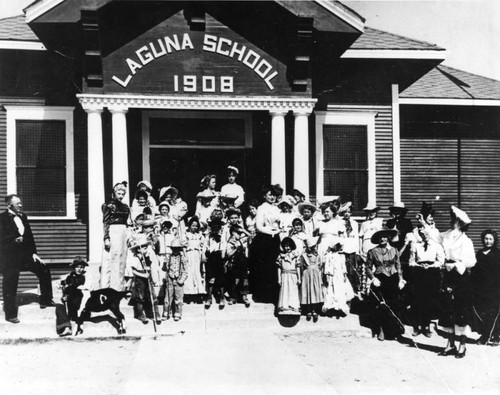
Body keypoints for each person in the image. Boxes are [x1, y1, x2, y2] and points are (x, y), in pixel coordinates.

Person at [0, 194, 54, 323]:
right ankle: (10, 313)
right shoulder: (1, 218)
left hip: (24, 256)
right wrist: (14, 240)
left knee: (43, 268)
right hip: (9, 257)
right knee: (11, 279)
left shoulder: (23, 216)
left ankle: (46, 299)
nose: (20, 205)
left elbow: (29, 236)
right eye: (17, 203)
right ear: (9, 205)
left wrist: (34, 253)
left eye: (20, 203)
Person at [437, 206, 476, 358]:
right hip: (448, 275)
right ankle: (450, 344)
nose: (452, 222)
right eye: (452, 219)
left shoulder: (466, 241)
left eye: (456, 220)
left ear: (461, 223)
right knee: (448, 308)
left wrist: (457, 264)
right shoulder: (447, 236)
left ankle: (462, 345)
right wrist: (425, 225)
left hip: (461, 277)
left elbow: (471, 261)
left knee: (461, 310)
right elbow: (436, 237)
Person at [366, 228, 406, 341]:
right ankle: (381, 330)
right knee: (381, 305)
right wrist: (373, 278)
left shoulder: (394, 250)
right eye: (380, 237)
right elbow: (368, 268)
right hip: (380, 279)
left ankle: (395, 331)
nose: (382, 239)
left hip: (393, 279)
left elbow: (398, 266)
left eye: (384, 236)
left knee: (394, 304)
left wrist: (400, 279)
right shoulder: (372, 251)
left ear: (388, 238)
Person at [408, 227, 445, 337]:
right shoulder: (415, 245)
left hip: (432, 274)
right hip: (419, 273)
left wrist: (431, 266)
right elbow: (411, 261)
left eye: (427, 234)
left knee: (429, 300)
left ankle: (426, 326)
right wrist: (419, 265)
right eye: (422, 234)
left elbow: (441, 261)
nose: (425, 236)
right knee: (417, 300)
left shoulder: (437, 246)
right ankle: (417, 327)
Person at [249, 185, 281, 303]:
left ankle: (274, 295)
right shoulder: (262, 208)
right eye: (269, 195)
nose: (272, 197)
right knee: (264, 267)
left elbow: (280, 222)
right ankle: (262, 295)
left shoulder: (277, 208)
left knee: (274, 266)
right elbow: (259, 226)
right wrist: (271, 231)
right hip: (264, 240)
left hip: (275, 239)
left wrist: (278, 231)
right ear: (264, 196)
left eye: (273, 195)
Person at [470, 229, 500, 346]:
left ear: (494, 240)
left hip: (495, 288)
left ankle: (493, 336)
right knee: (482, 311)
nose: (488, 241)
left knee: (494, 312)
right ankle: (486, 333)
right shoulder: (479, 253)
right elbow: (475, 271)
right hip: (481, 289)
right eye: (486, 239)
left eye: (490, 239)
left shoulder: (498, 253)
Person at [101, 181, 131, 291]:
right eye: (119, 193)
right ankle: (107, 287)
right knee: (111, 259)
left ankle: (118, 287)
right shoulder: (108, 206)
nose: (121, 196)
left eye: (123, 194)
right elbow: (106, 222)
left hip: (123, 233)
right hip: (113, 232)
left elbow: (128, 222)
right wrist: (106, 238)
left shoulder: (125, 207)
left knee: (121, 259)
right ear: (114, 193)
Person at [128, 234, 162, 325]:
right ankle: (140, 314)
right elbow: (134, 271)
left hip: (148, 278)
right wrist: (143, 275)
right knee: (140, 297)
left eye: (146, 248)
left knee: (152, 296)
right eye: (144, 248)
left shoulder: (146, 257)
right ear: (138, 249)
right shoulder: (135, 259)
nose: (146, 250)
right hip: (140, 279)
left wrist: (149, 273)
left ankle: (156, 314)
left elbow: (149, 266)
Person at [56, 256, 93, 336]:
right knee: (59, 305)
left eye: (81, 267)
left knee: (75, 295)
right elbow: (65, 283)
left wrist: (69, 288)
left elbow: (85, 288)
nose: (79, 269)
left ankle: (69, 325)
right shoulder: (71, 276)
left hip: (81, 305)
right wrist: (64, 290)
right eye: (77, 267)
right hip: (72, 305)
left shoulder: (85, 276)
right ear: (74, 268)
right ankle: (66, 327)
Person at [322, 242, 354, 316]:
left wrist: (345, 274)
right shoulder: (329, 256)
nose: (337, 247)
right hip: (332, 275)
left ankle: (341, 307)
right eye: (336, 246)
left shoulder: (341, 256)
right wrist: (327, 275)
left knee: (341, 290)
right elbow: (327, 266)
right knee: (332, 290)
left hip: (340, 275)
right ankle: (331, 307)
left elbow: (343, 266)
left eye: (338, 246)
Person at [162, 238, 188, 321]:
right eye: (173, 248)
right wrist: (165, 263)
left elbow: (186, 270)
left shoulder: (183, 258)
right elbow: (164, 269)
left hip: (179, 279)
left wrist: (182, 279)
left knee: (178, 297)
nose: (175, 250)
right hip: (170, 278)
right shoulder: (169, 257)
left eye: (177, 248)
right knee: (168, 297)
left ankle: (178, 312)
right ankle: (166, 312)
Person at [225, 225, 251, 307]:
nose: (240, 235)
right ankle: (233, 298)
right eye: (238, 233)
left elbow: (250, 236)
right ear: (233, 233)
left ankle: (244, 296)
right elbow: (228, 254)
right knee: (235, 281)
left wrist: (243, 230)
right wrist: (235, 249)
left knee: (244, 280)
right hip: (234, 264)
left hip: (243, 263)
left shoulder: (241, 240)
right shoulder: (229, 243)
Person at [339, 202, 361, 294]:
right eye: (345, 212)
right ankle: (344, 291)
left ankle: (354, 290)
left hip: (352, 249)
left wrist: (357, 251)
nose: (347, 214)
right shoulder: (339, 222)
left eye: (348, 212)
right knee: (344, 270)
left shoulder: (354, 223)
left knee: (353, 271)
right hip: (343, 249)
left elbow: (356, 237)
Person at [300, 238, 323, 321]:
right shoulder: (304, 255)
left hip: (315, 275)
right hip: (307, 275)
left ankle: (314, 310)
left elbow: (320, 265)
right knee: (308, 291)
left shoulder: (317, 255)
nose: (311, 248)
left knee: (314, 291)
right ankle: (308, 310)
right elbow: (301, 266)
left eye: (313, 247)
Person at [204, 218, 226, 309]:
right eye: (214, 227)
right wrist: (205, 253)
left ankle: (221, 298)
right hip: (210, 258)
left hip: (219, 257)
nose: (215, 229)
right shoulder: (208, 236)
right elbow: (205, 246)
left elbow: (224, 246)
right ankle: (209, 298)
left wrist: (223, 256)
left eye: (217, 227)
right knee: (211, 278)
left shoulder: (222, 236)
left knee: (220, 278)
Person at [184, 216, 206, 302]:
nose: (194, 227)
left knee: (197, 272)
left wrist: (203, 254)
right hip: (189, 254)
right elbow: (183, 246)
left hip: (197, 255)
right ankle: (188, 294)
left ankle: (198, 294)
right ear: (189, 226)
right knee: (189, 273)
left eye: (196, 226)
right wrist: (185, 256)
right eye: (193, 225)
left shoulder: (200, 235)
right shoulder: (186, 235)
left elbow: (203, 246)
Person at [276, 237, 301, 315]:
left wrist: (299, 278)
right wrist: (279, 278)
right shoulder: (281, 255)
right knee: (285, 289)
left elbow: (298, 267)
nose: (288, 248)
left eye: (289, 246)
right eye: (286, 246)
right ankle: (284, 306)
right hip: (284, 275)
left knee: (293, 290)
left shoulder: (295, 254)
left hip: (293, 275)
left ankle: (294, 306)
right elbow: (279, 268)